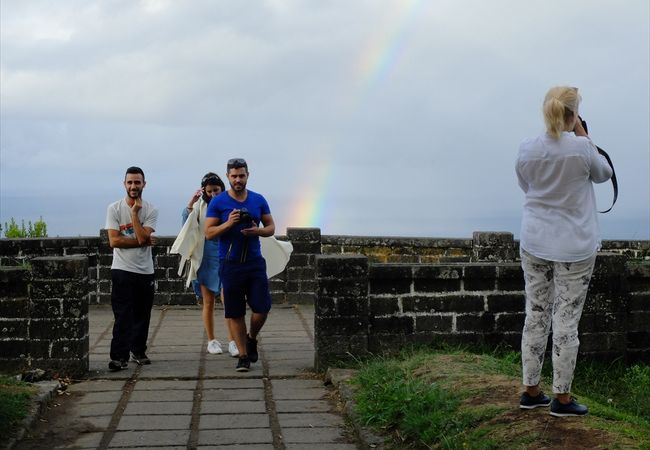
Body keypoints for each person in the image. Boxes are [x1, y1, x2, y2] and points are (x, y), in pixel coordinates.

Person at [516, 86, 613, 417]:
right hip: (574, 246)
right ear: (574, 116)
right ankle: (562, 399)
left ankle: (530, 390)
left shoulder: (526, 149)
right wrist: (584, 135)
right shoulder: (582, 149)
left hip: (535, 242)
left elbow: (526, 186)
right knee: (566, 320)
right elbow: (605, 174)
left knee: (537, 314)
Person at [204, 158, 275, 372]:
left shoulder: (258, 199)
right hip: (230, 263)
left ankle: (251, 337)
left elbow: (271, 227)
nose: (238, 179)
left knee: (262, 309)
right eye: (234, 176)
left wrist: (258, 231)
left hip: (254, 263)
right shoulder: (218, 202)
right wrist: (229, 223)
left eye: (241, 175)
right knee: (234, 312)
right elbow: (208, 233)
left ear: (247, 175)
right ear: (228, 177)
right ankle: (243, 356)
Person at [175, 172, 239, 357]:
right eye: (209, 191)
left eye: (216, 190)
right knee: (208, 301)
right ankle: (211, 340)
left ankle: (233, 340)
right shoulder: (199, 206)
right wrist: (190, 203)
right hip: (205, 256)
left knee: (228, 300)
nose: (213, 195)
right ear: (204, 191)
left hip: (226, 254)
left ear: (221, 188)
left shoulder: (229, 202)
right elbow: (186, 227)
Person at [105, 166, 159, 371]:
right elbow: (114, 241)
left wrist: (135, 214)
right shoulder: (114, 208)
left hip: (145, 270)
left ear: (144, 184)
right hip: (122, 268)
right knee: (123, 315)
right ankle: (118, 357)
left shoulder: (151, 210)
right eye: (130, 182)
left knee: (142, 315)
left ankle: (138, 350)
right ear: (124, 184)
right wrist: (143, 241)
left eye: (137, 182)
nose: (133, 186)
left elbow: (143, 236)